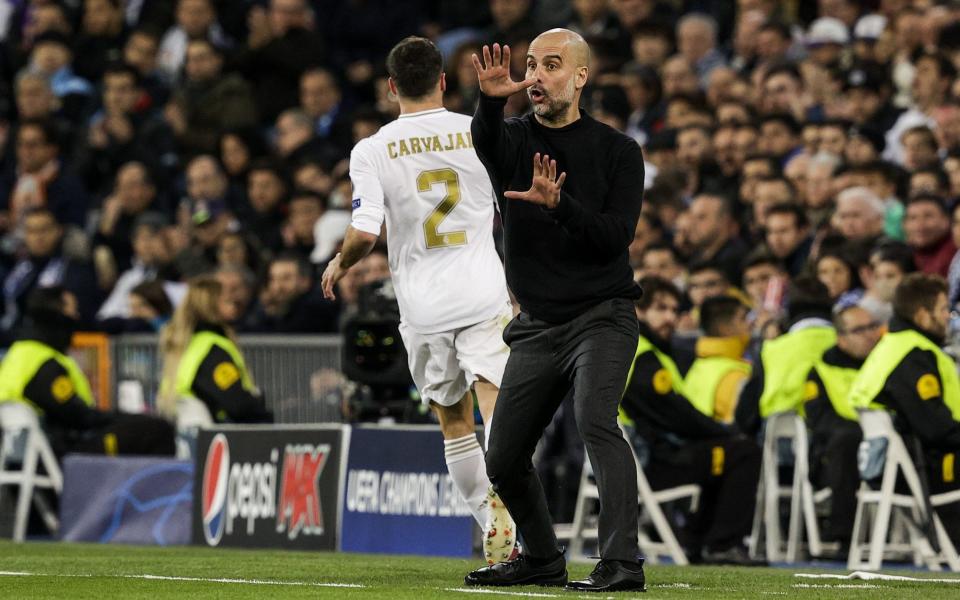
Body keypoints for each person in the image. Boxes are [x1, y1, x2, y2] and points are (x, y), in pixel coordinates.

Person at [319, 37, 517, 567]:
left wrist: (341, 262)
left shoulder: (372, 149)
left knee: (453, 422)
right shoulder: (479, 131)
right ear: (443, 81)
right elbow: (514, 209)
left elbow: (364, 231)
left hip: (423, 306)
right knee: (497, 406)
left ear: (390, 88)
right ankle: (519, 510)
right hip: (482, 291)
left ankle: (495, 527)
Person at [465, 30, 646, 591]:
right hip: (539, 324)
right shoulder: (514, 140)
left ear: (581, 77)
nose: (537, 75)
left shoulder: (619, 151)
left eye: (551, 64)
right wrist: (492, 101)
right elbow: (486, 143)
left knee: (596, 421)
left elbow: (614, 237)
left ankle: (622, 563)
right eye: (530, 66)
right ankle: (542, 558)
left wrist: (561, 206)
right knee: (504, 457)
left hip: (603, 315)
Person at [621, 277, 761, 564]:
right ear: (639, 311)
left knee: (723, 452)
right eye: (661, 308)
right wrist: (721, 432)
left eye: (675, 309)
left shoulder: (650, 350)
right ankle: (722, 544)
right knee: (742, 451)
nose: (670, 317)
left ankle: (699, 541)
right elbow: (672, 415)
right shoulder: (643, 353)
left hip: (641, 458)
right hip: (649, 464)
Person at [0, 287, 175, 458]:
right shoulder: (45, 363)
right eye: (73, 310)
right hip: (62, 452)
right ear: (57, 314)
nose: (77, 317)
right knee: (157, 429)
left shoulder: (20, 351)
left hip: (22, 451)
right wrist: (126, 418)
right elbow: (78, 416)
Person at [849, 273, 960, 541]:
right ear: (922, 315)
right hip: (928, 470)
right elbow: (936, 428)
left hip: (886, 466)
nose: (949, 316)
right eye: (944, 308)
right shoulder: (914, 356)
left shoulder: (891, 347)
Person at [803, 305, 882, 549]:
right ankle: (842, 534)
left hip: (883, 445)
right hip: (836, 455)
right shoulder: (821, 370)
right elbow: (820, 420)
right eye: (859, 330)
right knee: (846, 439)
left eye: (872, 326)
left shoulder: (884, 363)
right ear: (842, 339)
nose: (870, 334)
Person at [158, 275, 272, 424]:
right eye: (226, 301)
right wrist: (262, 412)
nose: (234, 304)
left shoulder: (189, 343)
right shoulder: (212, 348)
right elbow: (236, 402)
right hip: (217, 436)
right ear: (210, 307)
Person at [736, 276, 838, 437]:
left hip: (783, 443)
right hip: (846, 435)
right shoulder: (848, 342)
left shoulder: (772, 348)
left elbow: (746, 415)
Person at [684, 295, 752, 423]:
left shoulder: (698, 366)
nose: (750, 323)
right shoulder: (734, 376)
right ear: (724, 328)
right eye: (743, 318)